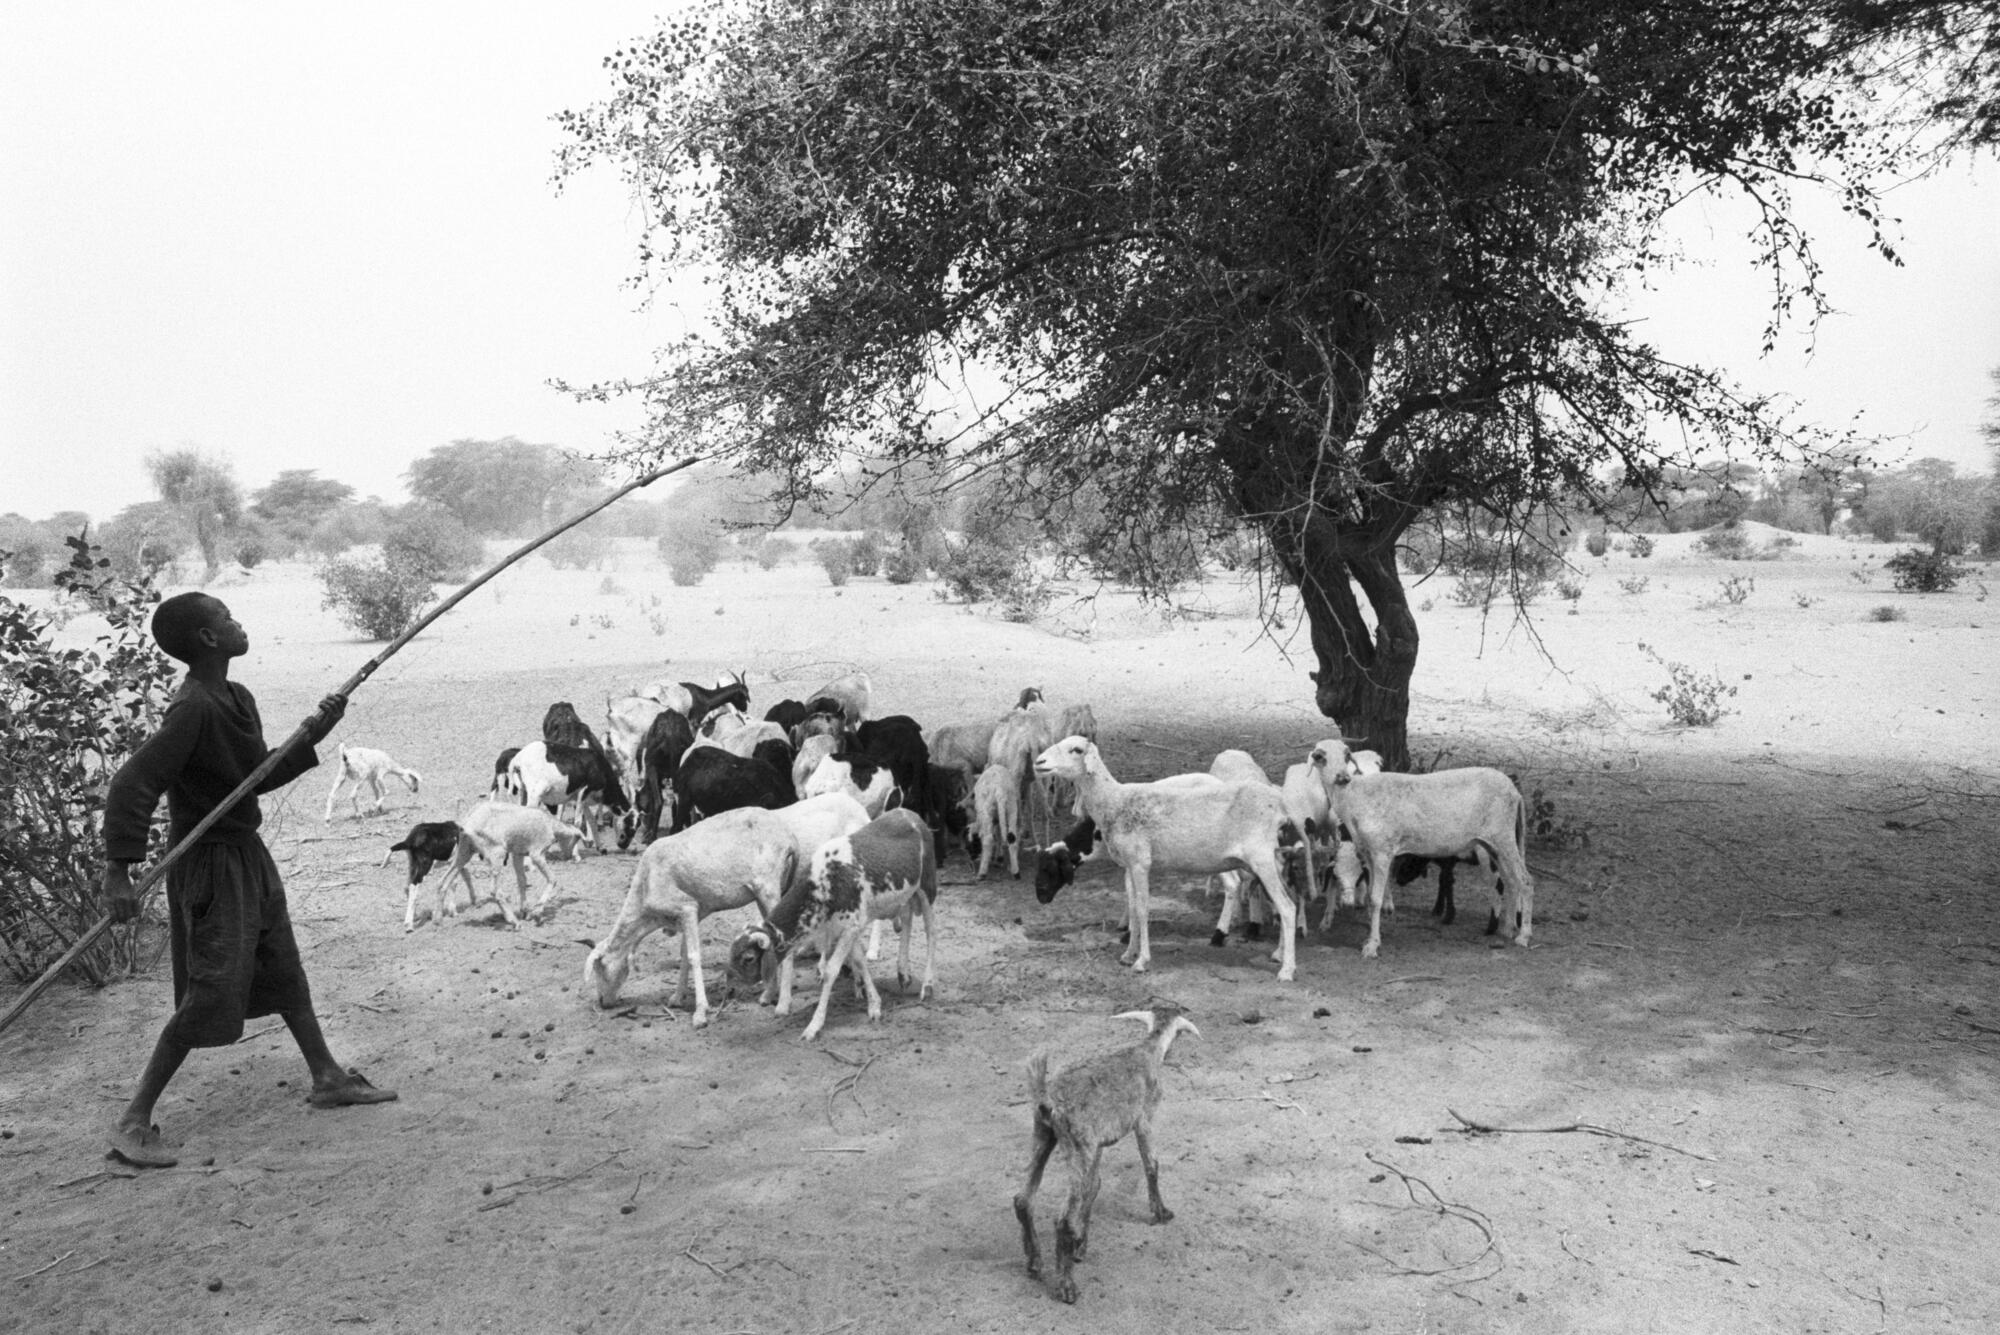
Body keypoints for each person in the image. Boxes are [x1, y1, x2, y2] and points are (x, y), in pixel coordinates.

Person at [99, 591, 396, 1168]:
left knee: (282, 966)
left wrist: (310, 736)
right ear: (209, 639)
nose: (238, 625)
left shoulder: (236, 698)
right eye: (227, 619)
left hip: (245, 855)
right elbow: (131, 784)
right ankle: (134, 1119)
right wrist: (119, 870)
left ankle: (328, 1077)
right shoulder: (193, 710)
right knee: (211, 988)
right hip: (210, 866)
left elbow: (252, 779)